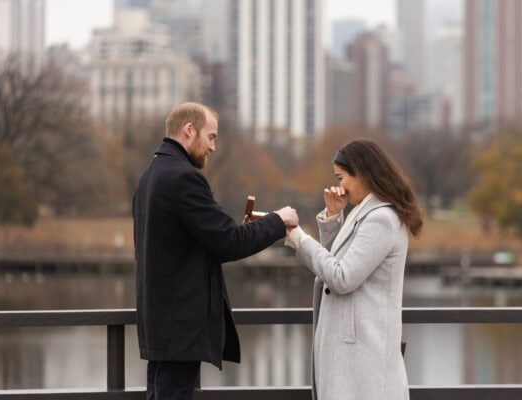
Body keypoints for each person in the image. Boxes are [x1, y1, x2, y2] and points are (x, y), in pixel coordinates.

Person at [132, 102, 298, 400]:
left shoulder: (150, 175)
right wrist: (278, 221)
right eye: (211, 137)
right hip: (179, 328)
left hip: (159, 324)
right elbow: (228, 241)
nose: (213, 147)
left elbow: (196, 238)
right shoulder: (184, 177)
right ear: (189, 130)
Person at [284, 139, 424, 400]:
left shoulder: (381, 219)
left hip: (363, 353)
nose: (340, 185)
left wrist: (299, 239)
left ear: (362, 173)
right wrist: (334, 217)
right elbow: (337, 262)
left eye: (342, 177)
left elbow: (342, 277)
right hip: (356, 352)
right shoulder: (367, 213)